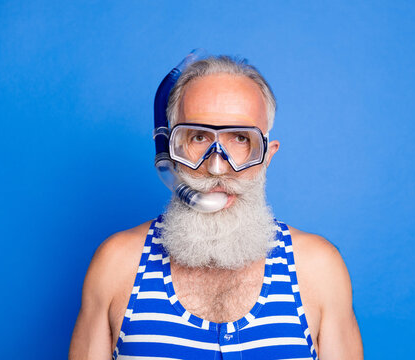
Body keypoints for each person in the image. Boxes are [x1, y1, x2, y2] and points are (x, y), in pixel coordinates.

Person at [69, 54, 363, 360]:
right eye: (197, 137)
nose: (218, 167)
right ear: (171, 151)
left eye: (240, 139)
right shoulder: (116, 264)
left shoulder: (318, 269)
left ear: (268, 155)